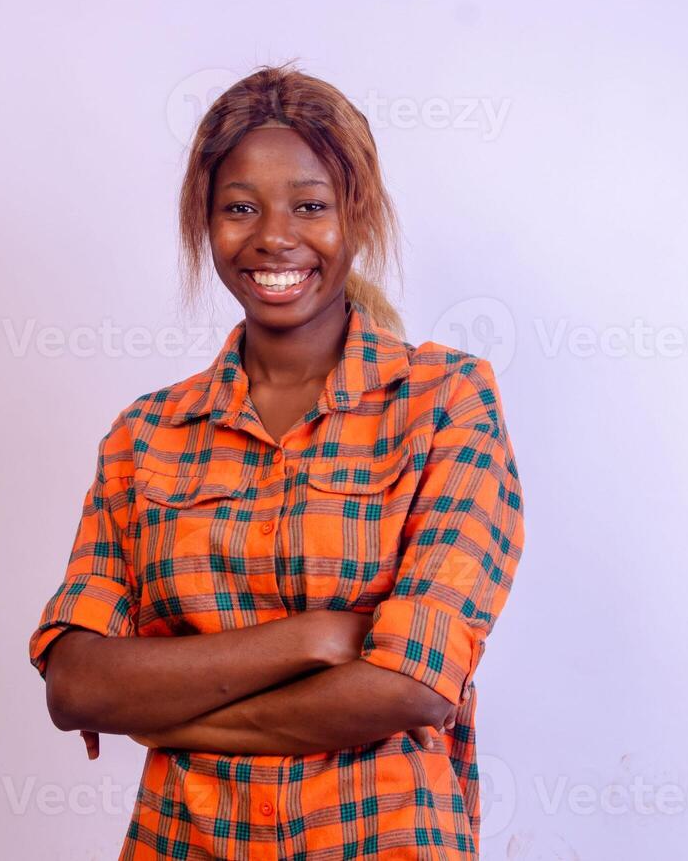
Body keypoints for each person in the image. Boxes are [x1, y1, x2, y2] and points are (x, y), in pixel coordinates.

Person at [29, 64, 525, 860]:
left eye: (309, 204)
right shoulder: (146, 435)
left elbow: (412, 685)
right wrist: (315, 638)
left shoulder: (445, 401)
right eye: (239, 208)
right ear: (205, 223)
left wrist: (170, 717)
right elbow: (77, 685)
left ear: (355, 217)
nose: (273, 236)